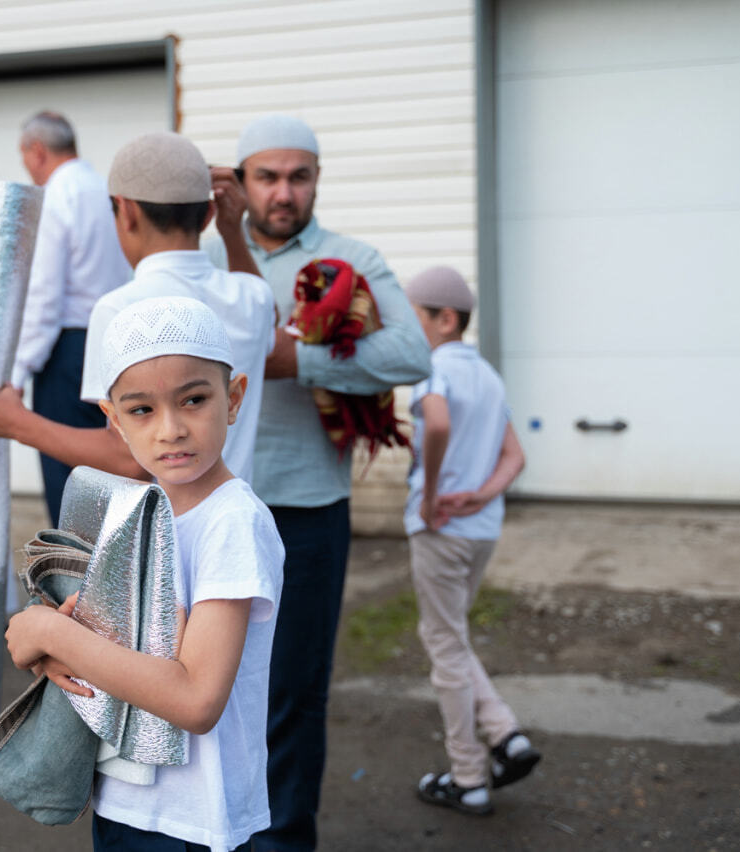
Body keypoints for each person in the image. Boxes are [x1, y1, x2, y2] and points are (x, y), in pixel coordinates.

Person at [203, 115, 432, 849]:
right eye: (267, 176)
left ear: (317, 181)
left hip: (306, 510)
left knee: (294, 694)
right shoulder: (200, 259)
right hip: (207, 510)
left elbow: (410, 353)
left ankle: (281, 839)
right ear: (238, 183)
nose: (283, 192)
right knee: (202, 687)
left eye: (298, 176)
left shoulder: (350, 258)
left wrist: (295, 362)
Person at [5, 295, 284, 852]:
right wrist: (59, 643)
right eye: (142, 411)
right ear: (112, 421)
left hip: (194, 820)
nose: (172, 429)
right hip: (127, 798)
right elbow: (107, 650)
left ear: (233, 399)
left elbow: (196, 700)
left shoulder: (232, 521)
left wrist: (52, 634)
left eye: (194, 400)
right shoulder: (136, 508)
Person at [0, 131, 277, 490]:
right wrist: (232, 232)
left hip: (167, 533)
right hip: (233, 507)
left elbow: (127, 461)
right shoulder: (254, 296)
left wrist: (13, 422)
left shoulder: (121, 307)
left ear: (127, 211)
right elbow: (265, 308)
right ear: (208, 215)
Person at [401, 266, 540, 815]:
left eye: (414, 320)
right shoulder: (487, 374)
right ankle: (507, 736)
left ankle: (468, 777)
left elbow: (434, 424)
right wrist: (482, 495)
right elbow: (516, 457)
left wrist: (432, 494)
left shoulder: (431, 367)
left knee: (445, 648)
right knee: (450, 637)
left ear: (445, 319)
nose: (409, 332)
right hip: (481, 528)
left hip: (441, 529)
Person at [13, 111, 132, 525]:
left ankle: (76, 583)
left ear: (37, 151)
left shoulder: (55, 196)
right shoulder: (107, 191)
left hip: (68, 351)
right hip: (117, 342)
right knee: (111, 475)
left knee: (69, 480)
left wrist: (19, 370)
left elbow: (45, 295)